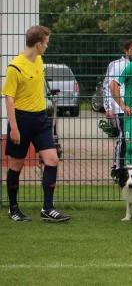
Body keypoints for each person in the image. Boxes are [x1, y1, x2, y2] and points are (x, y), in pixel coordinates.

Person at [3, 25, 71, 222]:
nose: (47, 47)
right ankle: (13, 209)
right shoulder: (14, 67)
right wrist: (14, 128)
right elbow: (9, 99)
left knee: (52, 160)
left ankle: (47, 209)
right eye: (46, 43)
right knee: (16, 166)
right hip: (21, 120)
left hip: (41, 119)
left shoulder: (39, 60)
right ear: (38, 44)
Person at [104, 40, 132, 180]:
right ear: (126, 51)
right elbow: (108, 86)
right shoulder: (116, 65)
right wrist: (108, 107)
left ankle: (129, 169)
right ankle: (117, 169)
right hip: (120, 108)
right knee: (123, 138)